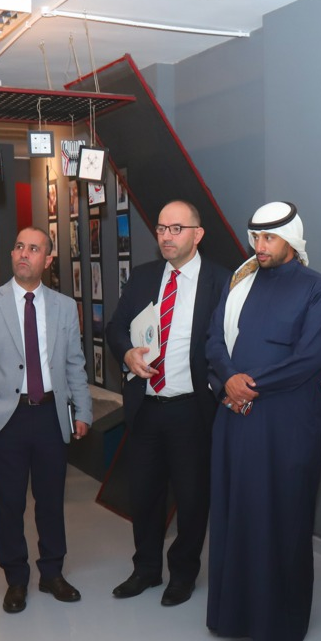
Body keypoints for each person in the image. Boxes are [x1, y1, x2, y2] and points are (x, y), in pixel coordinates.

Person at [205, 202, 321, 641]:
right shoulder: (240, 282)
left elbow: (309, 358)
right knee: (234, 513)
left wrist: (249, 385)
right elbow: (214, 340)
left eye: (269, 238)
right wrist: (229, 379)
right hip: (234, 418)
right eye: (255, 238)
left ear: (291, 240)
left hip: (285, 426)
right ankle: (233, 615)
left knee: (279, 517)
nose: (259, 247)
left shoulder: (318, 290)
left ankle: (278, 625)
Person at [104, 201, 230, 606]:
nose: (166, 236)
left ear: (198, 234)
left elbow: (229, 344)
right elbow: (116, 327)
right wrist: (126, 353)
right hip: (146, 406)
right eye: (161, 228)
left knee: (192, 498)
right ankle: (145, 568)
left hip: (192, 409)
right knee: (144, 494)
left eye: (176, 229)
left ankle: (183, 573)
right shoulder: (143, 277)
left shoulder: (220, 282)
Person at [0, 226, 93, 614]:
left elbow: (74, 363)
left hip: (51, 415)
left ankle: (52, 573)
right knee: (9, 503)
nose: (23, 253)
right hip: (5, 418)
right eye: (19, 246)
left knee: (51, 500)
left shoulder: (64, 307)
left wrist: (83, 410)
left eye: (33, 249)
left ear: (47, 260)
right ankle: (16, 579)